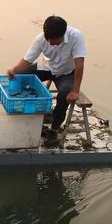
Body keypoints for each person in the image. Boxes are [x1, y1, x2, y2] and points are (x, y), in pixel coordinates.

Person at [7, 15, 86, 146]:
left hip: (66, 73)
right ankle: (23, 113)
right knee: (20, 75)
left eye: (54, 39)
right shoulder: (40, 39)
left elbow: (79, 64)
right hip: (47, 67)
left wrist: (76, 91)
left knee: (65, 94)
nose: (50, 42)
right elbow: (28, 60)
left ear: (63, 34)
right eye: (47, 38)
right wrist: (14, 70)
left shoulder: (76, 36)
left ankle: (54, 129)